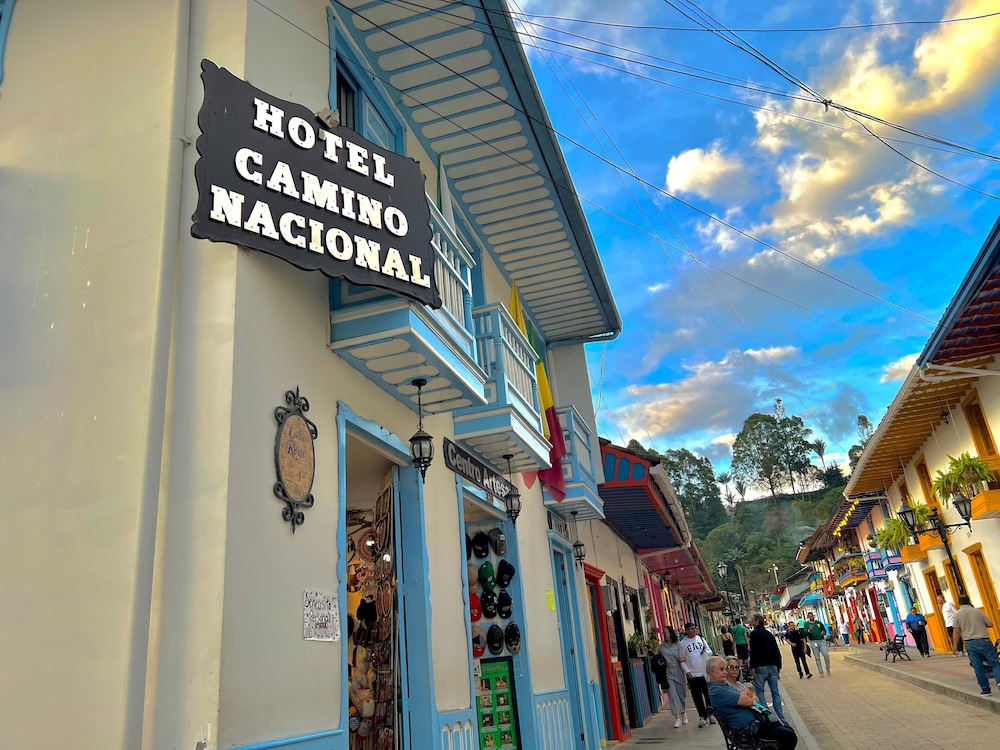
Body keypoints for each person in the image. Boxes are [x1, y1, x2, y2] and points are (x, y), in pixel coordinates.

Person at [706, 656, 798, 749]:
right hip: (746, 731)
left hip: (753, 726)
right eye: (721, 669)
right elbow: (748, 701)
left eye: (726, 669)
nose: (725, 672)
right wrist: (745, 694)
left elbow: (751, 699)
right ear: (711, 671)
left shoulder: (723, 686)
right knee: (789, 736)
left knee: (787, 731)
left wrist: (744, 694)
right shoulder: (718, 690)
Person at [951, 595, 1000, 695]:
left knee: (978, 667)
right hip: (984, 640)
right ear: (969, 601)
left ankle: (986, 690)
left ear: (959, 603)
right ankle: (999, 681)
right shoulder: (978, 612)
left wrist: (955, 647)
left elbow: (956, 632)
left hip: (970, 643)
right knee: (994, 663)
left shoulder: (957, 615)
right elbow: (990, 624)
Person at [748, 613, 787, 723]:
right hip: (773, 666)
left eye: (752, 620)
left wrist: (752, 667)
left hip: (761, 667)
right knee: (775, 691)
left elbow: (754, 651)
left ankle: (767, 713)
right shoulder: (769, 634)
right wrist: (778, 667)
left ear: (757, 621)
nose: (751, 621)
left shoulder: (754, 634)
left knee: (760, 691)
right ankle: (781, 716)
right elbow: (776, 650)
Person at [679, 622, 714, 727]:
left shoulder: (700, 639)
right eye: (691, 629)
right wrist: (687, 671)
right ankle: (702, 716)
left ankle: (710, 714)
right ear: (686, 631)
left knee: (708, 694)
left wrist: (705, 652)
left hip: (704, 672)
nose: (694, 630)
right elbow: (681, 660)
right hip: (693, 674)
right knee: (697, 697)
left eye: (695, 628)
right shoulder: (682, 644)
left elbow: (710, 651)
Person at [656, 625, 689, 729]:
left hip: (679, 671)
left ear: (671, 633)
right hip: (668, 672)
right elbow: (658, 658)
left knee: (680, 694)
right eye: (663, 633)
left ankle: (683, 712)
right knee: (672, 695)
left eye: (666, 633)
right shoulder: (662, 647)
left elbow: (683, 658)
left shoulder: (678, 645)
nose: (664, 635)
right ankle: (677, 717)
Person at [804, 612, 831, 677]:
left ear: (814, 616)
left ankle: (828, 667)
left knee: (826, 654)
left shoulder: (818, 623)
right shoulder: (806, 624)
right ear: (808, 617)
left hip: (821, 641)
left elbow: (824, 630)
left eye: (812, 616)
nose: (811, 617)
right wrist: (809, 630)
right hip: (813, 641)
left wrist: (823, 632)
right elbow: (805, 633)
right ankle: (821, 671)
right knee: (817, 657)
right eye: (809, 616)